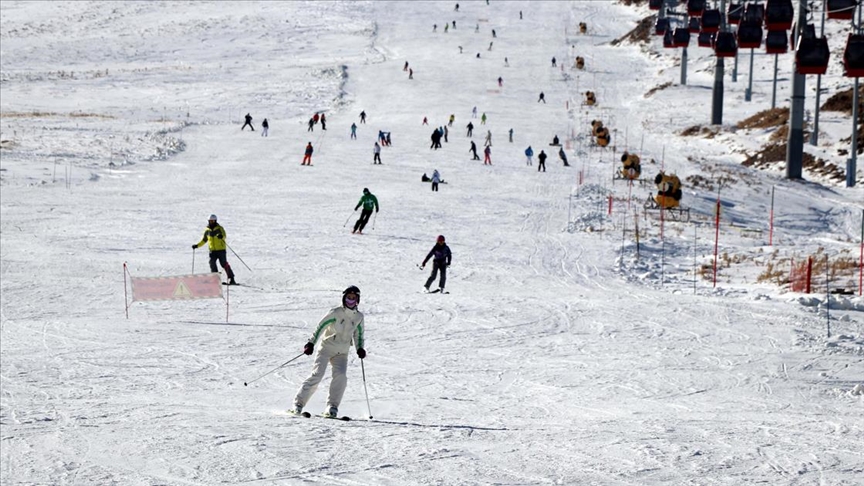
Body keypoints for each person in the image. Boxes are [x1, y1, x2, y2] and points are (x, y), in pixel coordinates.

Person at [291, 286, 366, 418]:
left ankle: (332, 406)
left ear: (357, 300)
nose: (351, 300)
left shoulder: (359, 317)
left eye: (354, 298)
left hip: (342, 352)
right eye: (349, 297)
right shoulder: (335, 312)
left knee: (341, 377)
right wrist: (311, 343)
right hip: (326, 348)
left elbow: (359, 334)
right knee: (317, 374)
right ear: (344, 298)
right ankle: (298, 404)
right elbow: (320, 327)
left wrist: (360, 348)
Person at [192, 214, 236, 285]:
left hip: (221, 250)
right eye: (210, 221)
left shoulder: (219, 228)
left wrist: (221, 236)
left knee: (223, 263)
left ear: (215, 221)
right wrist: (197, 245)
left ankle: (232, 278)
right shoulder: (207, 230)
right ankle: (215, 279)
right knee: (212, 263)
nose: (211, 222)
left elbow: (224, 236)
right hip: (212, 251)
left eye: (213, 221)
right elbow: (204, 240)